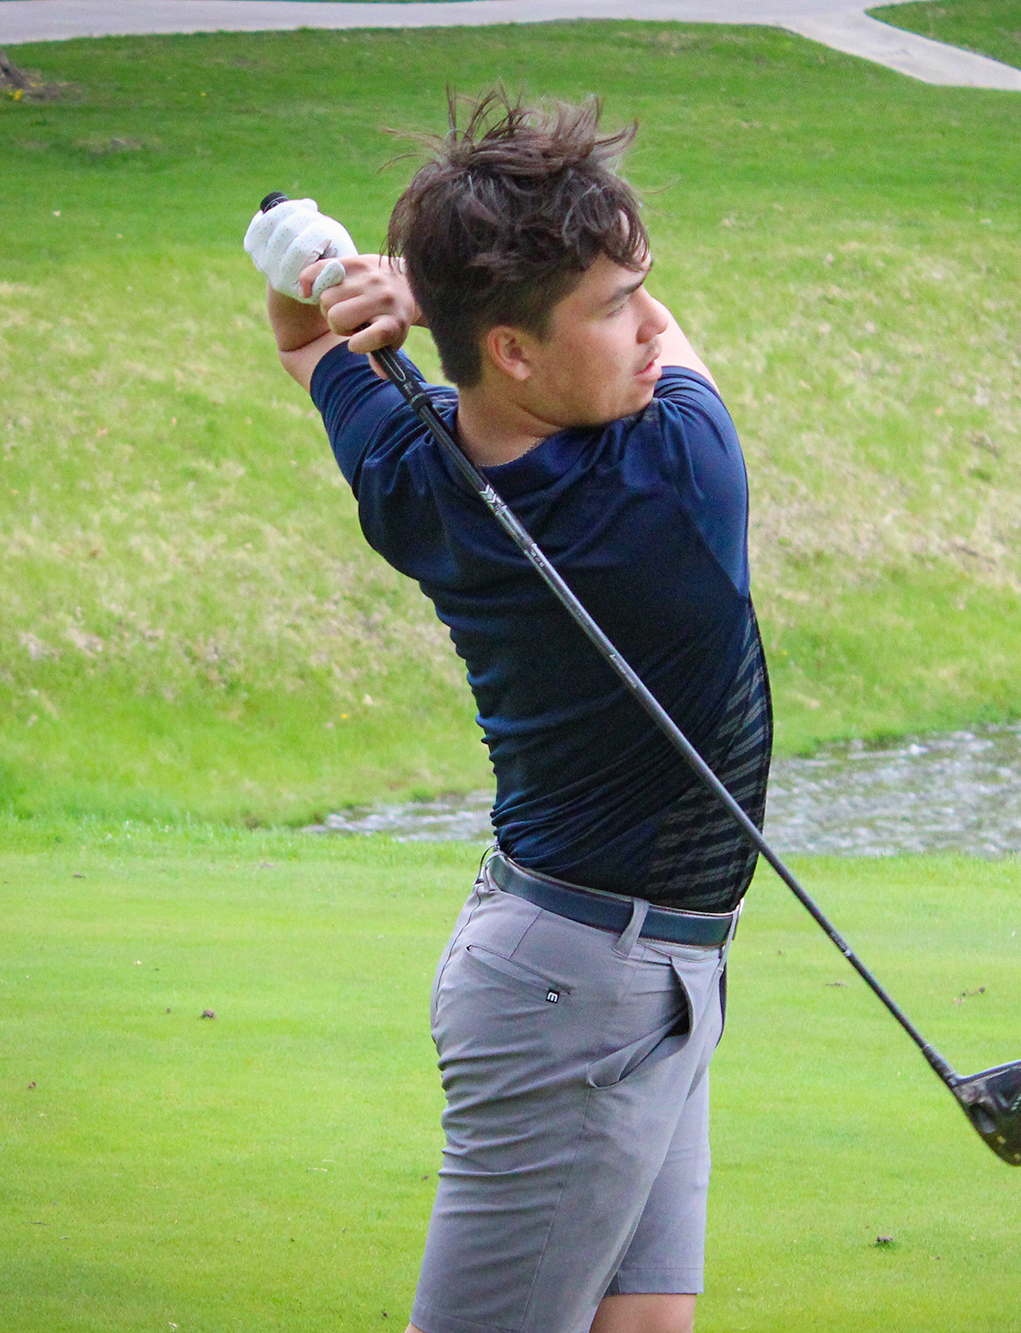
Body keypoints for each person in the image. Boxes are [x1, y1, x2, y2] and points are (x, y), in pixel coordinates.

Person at [244, 90, 771, 1333]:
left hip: (640, 967)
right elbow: (673, 342)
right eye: (610, 308)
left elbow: (302, 344)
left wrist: (327, 274)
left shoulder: (407, 470)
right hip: (575, 996)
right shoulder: (679, 476)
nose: (648, 328)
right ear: (515, 353)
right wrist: (412, 293)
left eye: (640, 291)